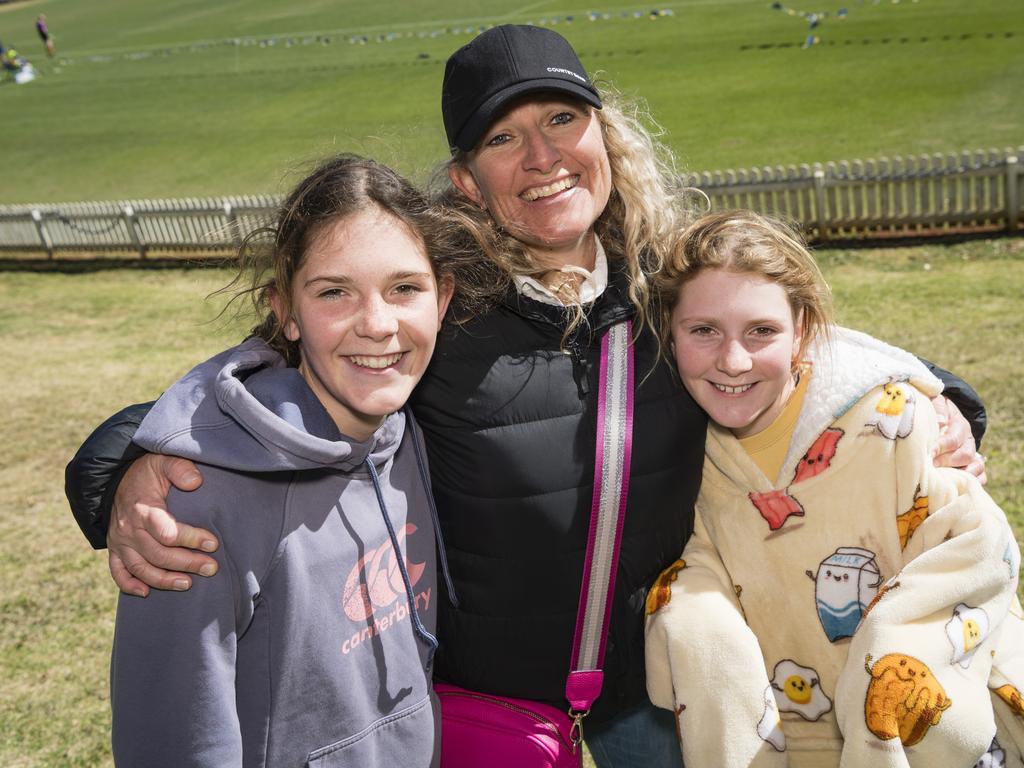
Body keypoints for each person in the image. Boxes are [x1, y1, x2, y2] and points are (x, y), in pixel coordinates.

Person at [65, 25, 986, 767]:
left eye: (561, 120)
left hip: (650, 692)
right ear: (466, 180)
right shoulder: (436, 311)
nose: (542, 155)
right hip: (480, 708)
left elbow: (798, 338)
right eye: (503, 138)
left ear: (604, 139)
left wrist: (942, 396)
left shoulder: (667, 289)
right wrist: (130, 463)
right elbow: (274, 373)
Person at [644, 210, 1023, 767]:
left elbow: (975, 546)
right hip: (798, 742)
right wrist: (698, 625)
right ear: (669, 332)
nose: (733, 360)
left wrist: (892, 654)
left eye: (762, 330)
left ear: (802, 327)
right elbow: (700, 560)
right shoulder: (689, 452)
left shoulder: (895, 424)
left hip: (937, 739)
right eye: (703, 330)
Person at [109, 154, 455, 766]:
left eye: (405, 288)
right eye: (334, 292)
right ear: (285, 312)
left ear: (442, 298)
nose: (378, 324)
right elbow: (173, 739)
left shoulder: (412, 439)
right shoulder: (195, 503)